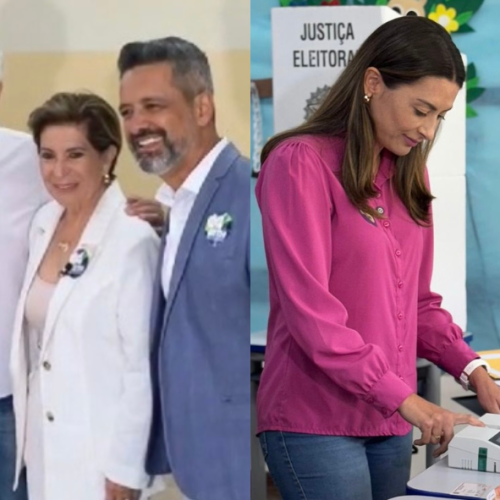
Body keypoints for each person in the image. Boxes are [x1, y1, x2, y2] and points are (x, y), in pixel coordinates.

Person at [254, 16, 500, 500]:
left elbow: (419, 305)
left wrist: (474, 371)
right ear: (373, 83)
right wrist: (407, 401)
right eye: (421, 110)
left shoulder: (412, 177)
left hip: (389, 421)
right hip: (314, 421)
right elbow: (314, 319)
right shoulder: (299, 163)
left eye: (439, 117)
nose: (428, 130)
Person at [9, 92, 164, 500]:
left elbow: (141, 369)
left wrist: (125, 470)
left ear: (108, 156)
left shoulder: (132, 240)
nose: (58, 171)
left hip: (102, 456)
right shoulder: (44, 222)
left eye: (75, 155)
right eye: (47, 156)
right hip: (45, 445)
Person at [117, 36, 250, 500]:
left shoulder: (253, 192)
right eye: (127, 112)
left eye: (153, 106)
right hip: (191, 462)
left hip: (244, 460)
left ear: (202, 108)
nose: (137, 124)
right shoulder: (170, 208)